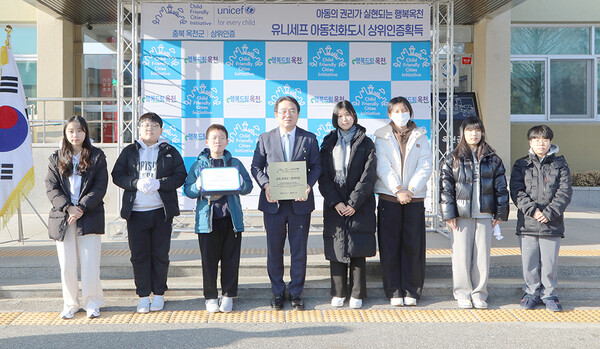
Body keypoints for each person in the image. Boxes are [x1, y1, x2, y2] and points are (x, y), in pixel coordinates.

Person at [111, 112, 187, 313]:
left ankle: (159, 294)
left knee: (160, 255)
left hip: (161, 212)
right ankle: (144, 295)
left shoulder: (170, 151)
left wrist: (159, 184)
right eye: (145, 125)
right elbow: (117, 175)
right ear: (138, 129)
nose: (149, 128)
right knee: (139, 255)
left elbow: (181, 176)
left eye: (154, 125)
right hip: (136, 213)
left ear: (161, 130)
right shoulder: (130, 151)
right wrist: (135, 183)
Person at [251, 96, 321, 310]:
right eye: (283, 111)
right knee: (275, 250)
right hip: (274, 204)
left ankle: (297, 293)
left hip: (300, 203)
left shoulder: (309, 139)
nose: (287, 115)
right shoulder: (265, 138)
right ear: (276, 115)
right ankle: (278, 292)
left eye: (292, 110)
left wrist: (308, 185)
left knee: (299, 250)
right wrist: (266, 185)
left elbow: (317, 167)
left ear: (298, 114)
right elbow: (256, 167)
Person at [439, 116, 509, 309]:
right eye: (470, 130)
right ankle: (462, 293)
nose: (474, 134)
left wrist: (500, 214)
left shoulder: (493, 158)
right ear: (463, 133)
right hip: (461, 215)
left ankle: (479, 293)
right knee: (460, 255)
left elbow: (501, 188)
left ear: (482, 132)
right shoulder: (452, 158)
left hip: (485, 213)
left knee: (482, 256)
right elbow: (446, 189)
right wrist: (449, 214)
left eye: (477, 130)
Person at [183, 124, 253, 313]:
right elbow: (188, 190)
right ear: (207, 142)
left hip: (231, 220)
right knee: (209, 261)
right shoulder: (198, 165)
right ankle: (211, 297)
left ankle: (228, 295)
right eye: (214, 138)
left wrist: (240, 182)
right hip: (208, 221)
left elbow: (248, 186)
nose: (218, 141)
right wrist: (198, 186)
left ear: (227, 141)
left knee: (231, 260)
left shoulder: (235, 163)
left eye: (222, 138)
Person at [45, 115, 107, 319]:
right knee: (67, 265)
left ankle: (92, 302)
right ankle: (70, 304)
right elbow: (51, 188)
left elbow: (100, 187)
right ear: (65, 133)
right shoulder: (56, 158)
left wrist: (80, 208)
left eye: (79, 130)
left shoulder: (97, 156)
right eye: (71, 130)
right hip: (63, 218)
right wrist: (68, 208)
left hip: (89, 215)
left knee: (90, 264)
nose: (75, 134)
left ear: (86, 132)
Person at [318, 101, 377, 309]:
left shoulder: (366, 143)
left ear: (354, 116)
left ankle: (357, 293)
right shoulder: (327, 142)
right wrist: (336, 202)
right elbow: (323, 176)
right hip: (335, 204)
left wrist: (353, 202)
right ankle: (338, 292)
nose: (345, 119)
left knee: (357, 248)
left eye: (348, 114)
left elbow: (368, 176)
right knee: (337, 247)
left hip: (360, 204)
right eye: (340, 115)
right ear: (335, 118)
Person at [374, 96, 432, 307]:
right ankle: (393, 289)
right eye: (396, 111)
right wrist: (398, 190)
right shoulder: (381, 137)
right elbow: (382, 166)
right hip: (390, 198)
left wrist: (411, 190)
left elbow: (425, 166)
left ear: (410, 113)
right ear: (389, 114)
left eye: (404, 110)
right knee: (390, 246)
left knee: (413, 245)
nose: (401, 114)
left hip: (414, 198)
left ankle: (412, 290)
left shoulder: (421, 136)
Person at [510, 125, 572, 312]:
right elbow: (516, 191)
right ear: (530, 142)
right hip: (528, 222)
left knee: (549, 262)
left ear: (550, 142)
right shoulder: (522, 164)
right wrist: (533, 211)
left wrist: (549, 213)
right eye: (536, 139)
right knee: (529, 261)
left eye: (544, 140)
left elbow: (565, 192)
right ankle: (531, 292)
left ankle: (549, 294)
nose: (541, 143)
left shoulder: (560, 164)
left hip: (551, 223)